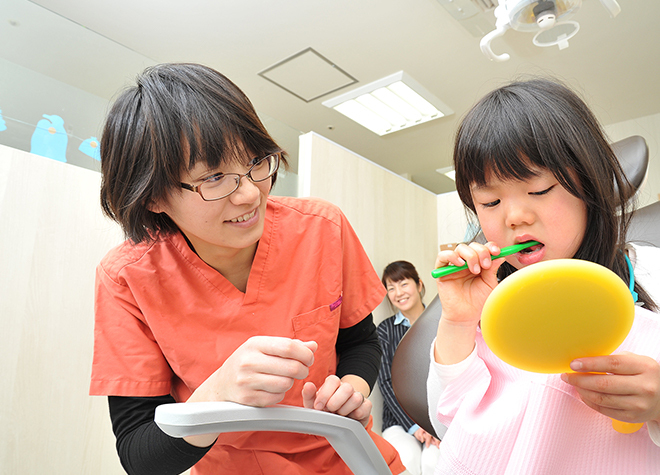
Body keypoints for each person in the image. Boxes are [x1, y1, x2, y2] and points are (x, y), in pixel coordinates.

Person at [89, 63, 405, 475]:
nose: (250, 193)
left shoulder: (322, 228)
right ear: (153, 197)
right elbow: (139, 454)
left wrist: (350, 389)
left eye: (256, 161)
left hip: (350, 456)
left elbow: (360, 343)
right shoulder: (127, 279)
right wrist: (216, 394)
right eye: (216, 177)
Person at [428, 78, 660, 474]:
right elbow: (448, 424)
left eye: (539, 189)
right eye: (490, 201)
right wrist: (457, 322)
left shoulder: (651, 273)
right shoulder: (492, 302)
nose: (514, 215)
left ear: (591, 182)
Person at [377, 261, 441, 475]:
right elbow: (386, 383)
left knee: (435, 463)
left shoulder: (441, 323)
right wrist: (414, 426)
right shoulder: (385, 330)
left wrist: (434, 425)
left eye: (404, 284)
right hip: (398, 420)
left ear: (419, 285)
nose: (398, 293)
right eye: (391, 288)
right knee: (407, 460)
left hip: (440, 417)